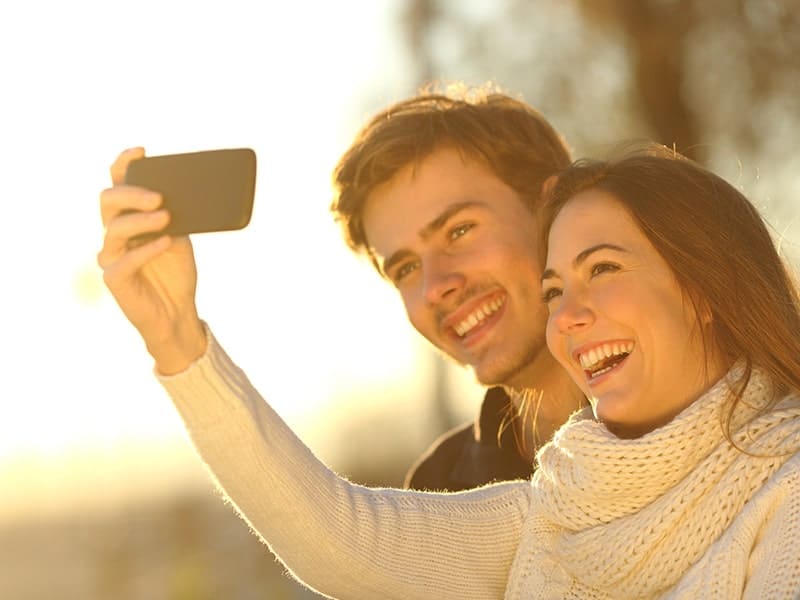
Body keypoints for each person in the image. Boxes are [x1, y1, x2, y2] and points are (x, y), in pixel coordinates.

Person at [99, 142, 800, 598]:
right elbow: (343, 540)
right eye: (556, 290)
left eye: (604, 269)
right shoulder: (557, 505)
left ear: (705, 288)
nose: (570, 316)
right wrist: (178, 337)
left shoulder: (783, 489)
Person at [330, 85, 585, 490]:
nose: (435, 287)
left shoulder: (709, 419)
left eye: (459, 230)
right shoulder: (437, 493)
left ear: (553, 210)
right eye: (407, 267)